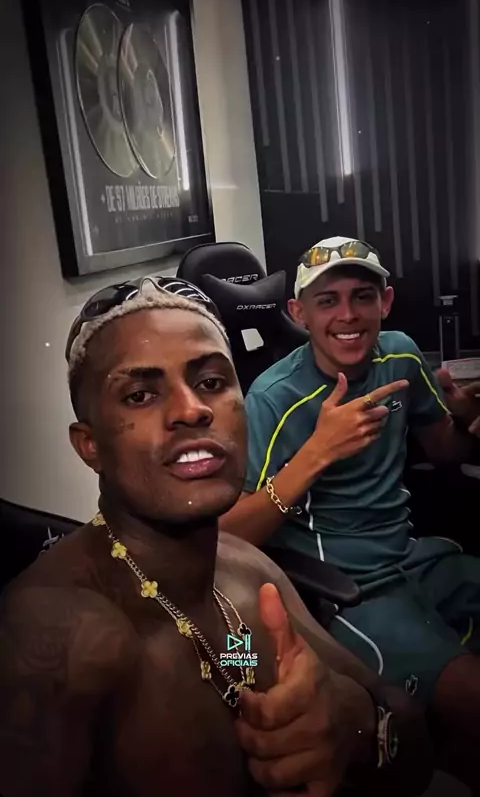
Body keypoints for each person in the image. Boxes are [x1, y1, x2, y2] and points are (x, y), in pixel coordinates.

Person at [0, 276, 431, 797]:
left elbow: (408, 732)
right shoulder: (61, 637)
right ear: (89, 445)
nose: (191, 410)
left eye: (209, 382)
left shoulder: (243, 575)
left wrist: (354, 725)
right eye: (140, 394)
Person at [219, 237, 480, 791]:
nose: (347, 315)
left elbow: (445, 450)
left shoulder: (400, 356)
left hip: (413, 558)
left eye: (362, 296)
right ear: (299, 313)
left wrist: (465, 417)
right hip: (350, 591)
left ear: (385, 302)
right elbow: (228, 536)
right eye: (327, 300)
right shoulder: (272, 398)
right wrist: (317, 452)